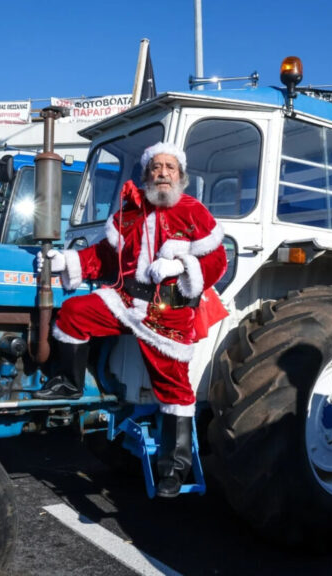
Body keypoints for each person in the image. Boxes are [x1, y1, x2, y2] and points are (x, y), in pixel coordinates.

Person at [35, 141, 227, 497]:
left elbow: (217, 261)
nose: (163, 173)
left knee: (174, 388)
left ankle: (174, 466)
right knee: (75, 312)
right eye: (156, 167)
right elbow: (107, 256)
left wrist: (181, 266)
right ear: (147, 175)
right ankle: (68, 383)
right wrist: (70, 262)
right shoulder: (130, 211)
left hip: (166, 312)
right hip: (126, 302)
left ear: (180, 176)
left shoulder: (193, 211)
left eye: (170, 167)